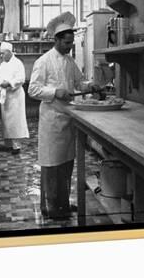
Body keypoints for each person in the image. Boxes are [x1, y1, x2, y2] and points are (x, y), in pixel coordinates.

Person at [28, 12, 101, 219]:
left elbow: (80, 82)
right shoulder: (43, 61)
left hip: (68, 120)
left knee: (66, 164)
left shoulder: (69, 61)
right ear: (57, 40)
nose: (70, 47)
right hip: (51, 120)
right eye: (67, 43)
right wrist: (54, 92)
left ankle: (63, 203)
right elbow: (33, 90)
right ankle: (51, 208)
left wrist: (90, 85)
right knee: (51, 165)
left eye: (71, 43)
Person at [0, 41, 29, 154]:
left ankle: (16, 146)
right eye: (0, 54)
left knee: (15, 122)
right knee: (6, 122)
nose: (1, 56)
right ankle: (8, 145)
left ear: (9, 52)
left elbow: (21, 79)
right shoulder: (3, 64)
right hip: (5, 97)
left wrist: (9, 83)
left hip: (15, 97)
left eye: (2, 53)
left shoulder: (17, 63)